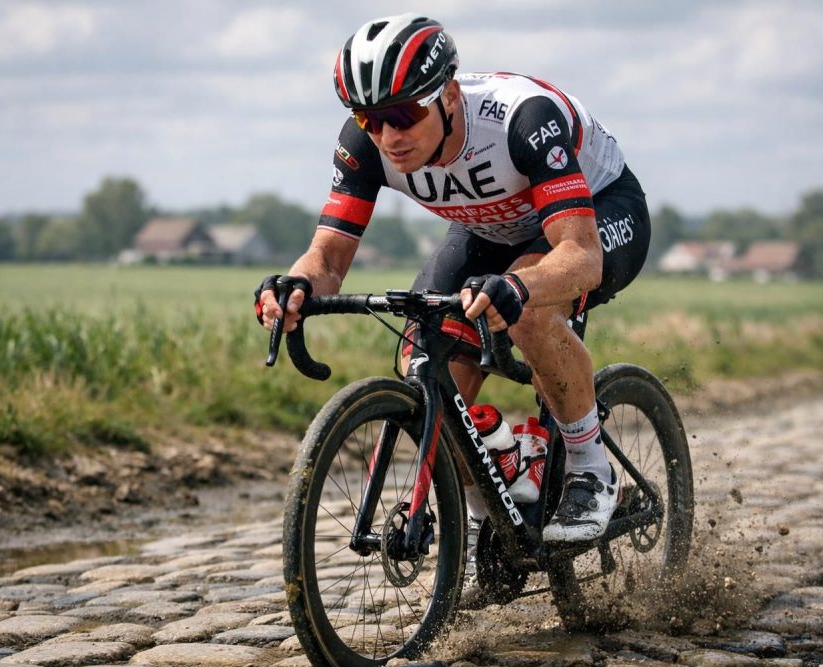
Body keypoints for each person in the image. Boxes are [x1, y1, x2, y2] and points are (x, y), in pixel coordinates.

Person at [258, 14, 650, 549]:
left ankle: (589, 467)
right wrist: (296, 286)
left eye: (403, 114)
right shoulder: (366, 143)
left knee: (531, 312)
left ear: (447, 96)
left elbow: (580, 257)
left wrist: (521, 289)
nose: (389, 137)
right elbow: (327, 257)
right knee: (422, 358)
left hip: (595, 213)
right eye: (371, 120)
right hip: (490, 226)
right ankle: (493, 506)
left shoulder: (522, 119)